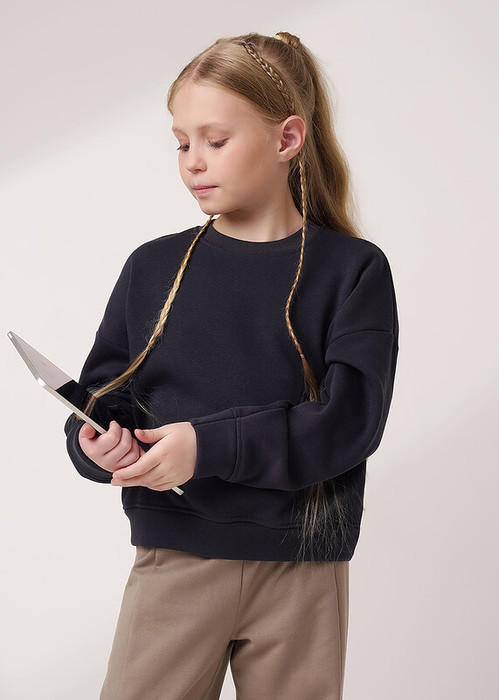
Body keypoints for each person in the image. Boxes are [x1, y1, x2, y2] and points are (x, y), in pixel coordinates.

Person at [64, 31, 399, 700]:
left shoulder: (352, 271)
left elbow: (348, 424)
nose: (193, 161)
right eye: (181, 143)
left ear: (287, 138)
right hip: (175, 559)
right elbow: (107, 395)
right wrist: (95, 441)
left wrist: (205, 446)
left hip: (303, 572)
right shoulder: (152, 267)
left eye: (215, 140)